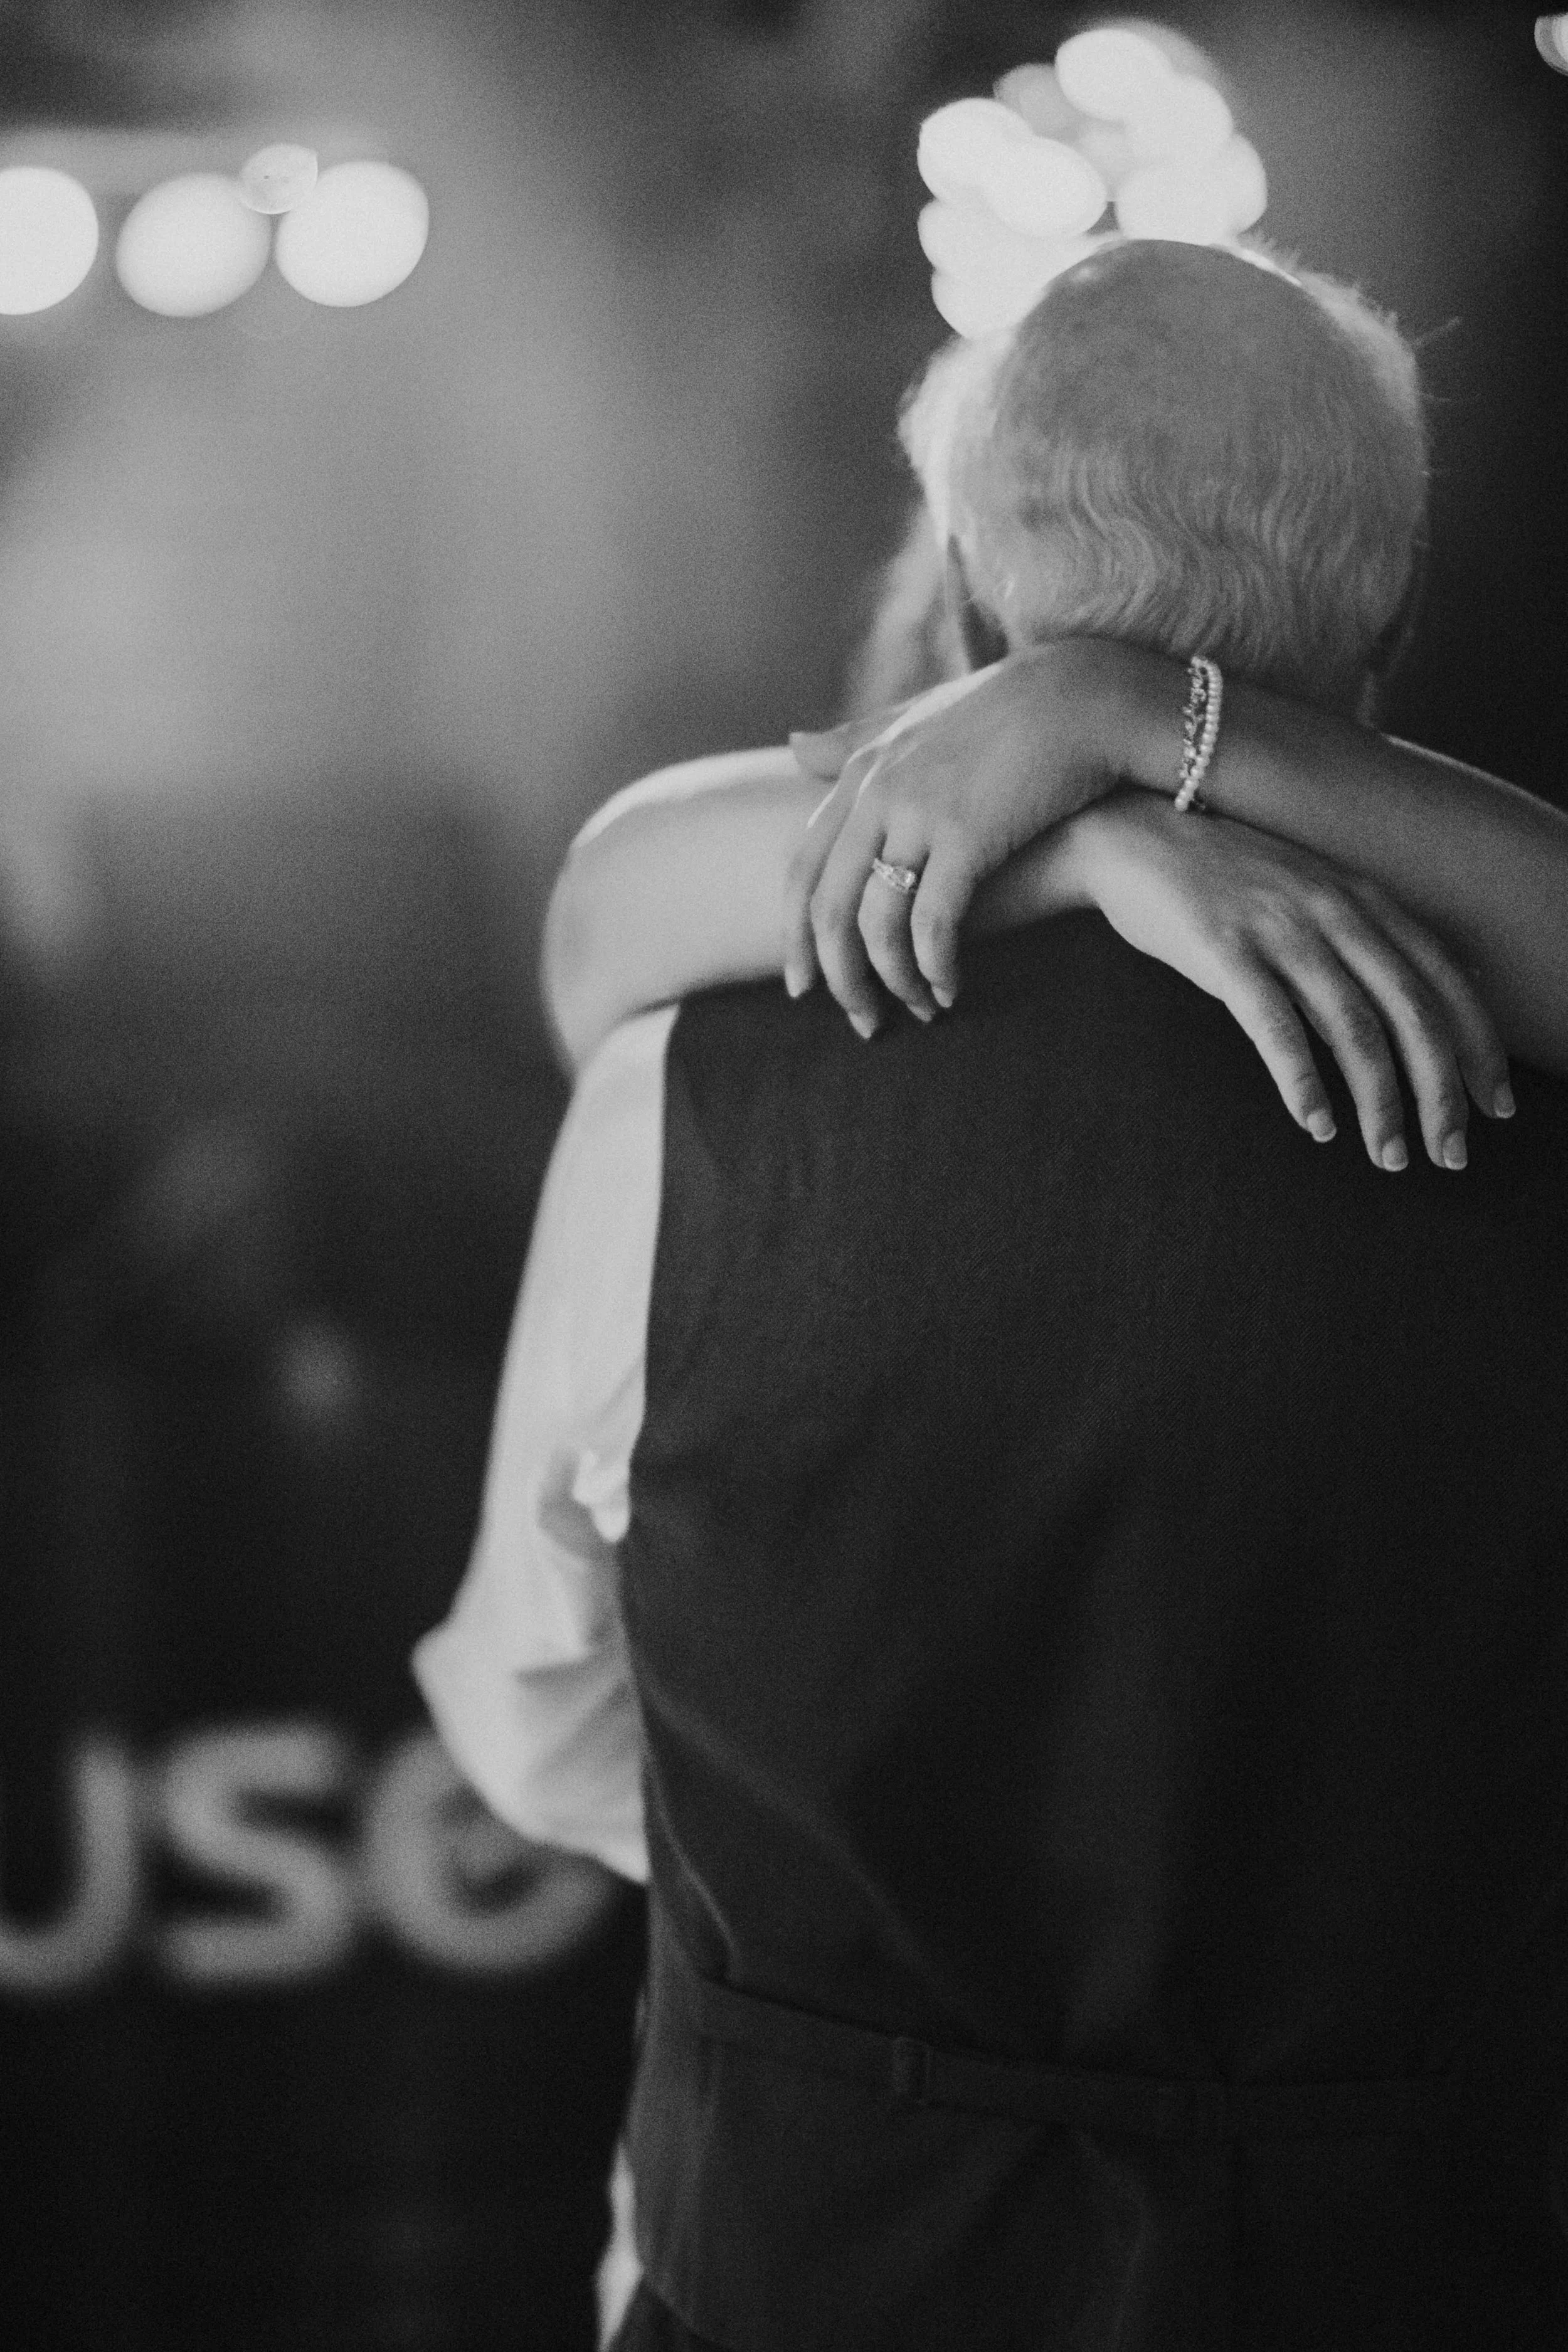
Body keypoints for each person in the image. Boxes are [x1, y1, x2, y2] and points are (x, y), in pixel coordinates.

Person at [418, 231, 1568, 2349]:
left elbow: (536, 1712)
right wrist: (1124, 782)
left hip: (803, 2258)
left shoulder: (683, 1095)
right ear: (1392, 609)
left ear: (960, 590)